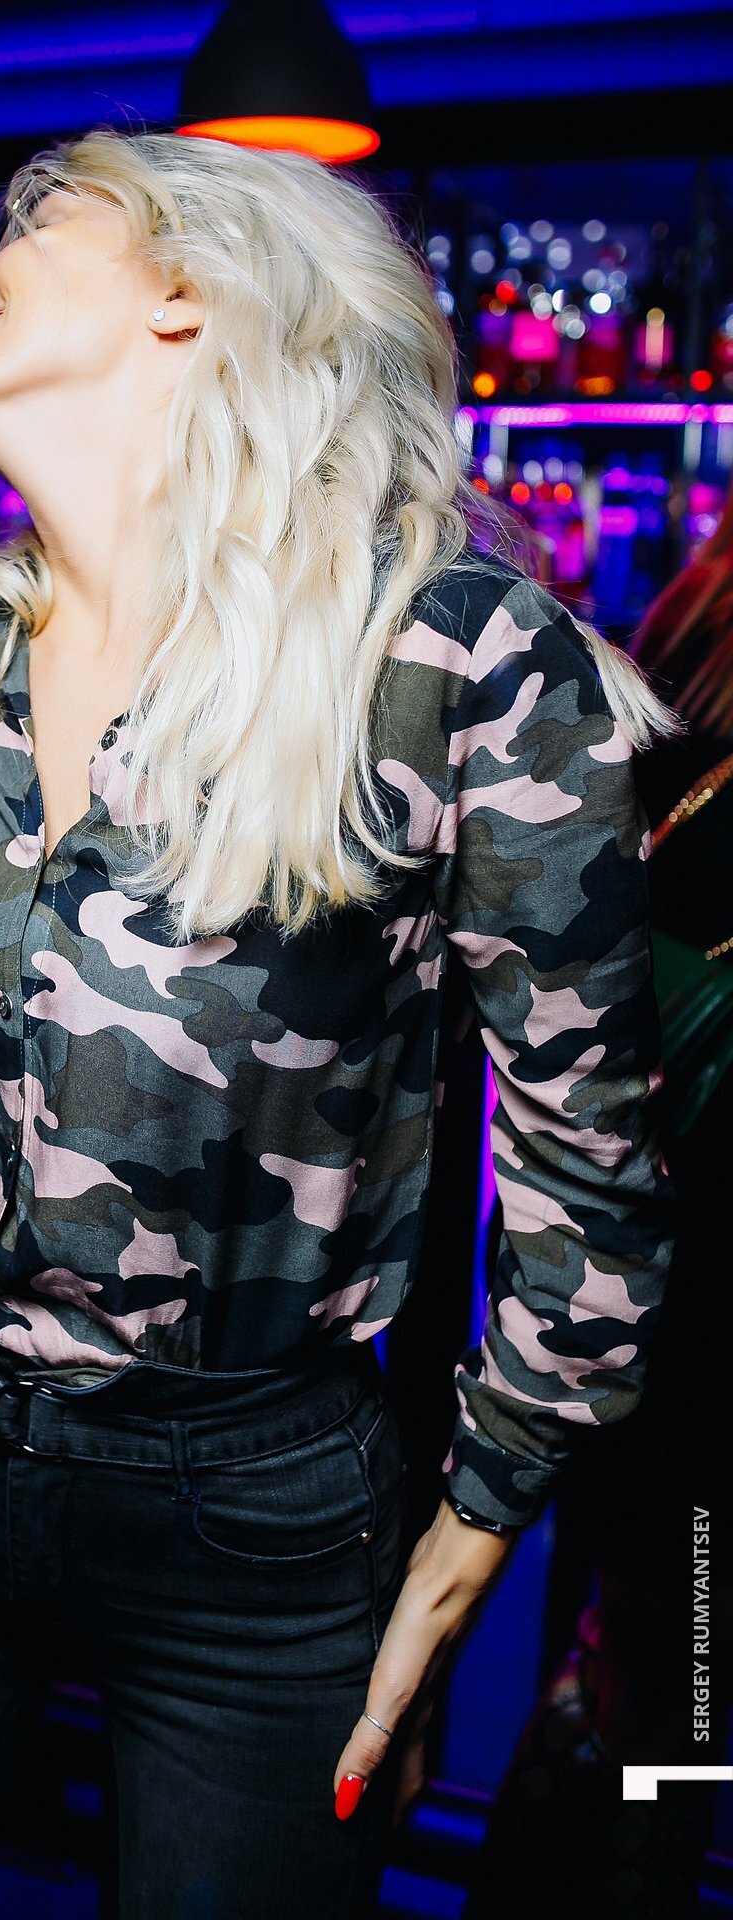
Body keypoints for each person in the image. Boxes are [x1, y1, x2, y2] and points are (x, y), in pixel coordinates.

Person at [0, 128, 676, 1920]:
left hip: (247, 1519)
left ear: (192, 297)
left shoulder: (454, 663)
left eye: (34, 227)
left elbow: (589, 1151)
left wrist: (478, 1522)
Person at [463, 479, 733, 1919]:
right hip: (688, 1322)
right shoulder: (685, 698)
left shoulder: (677, 669)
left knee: (640, 1660)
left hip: (625, 1279)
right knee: (670, 1679)